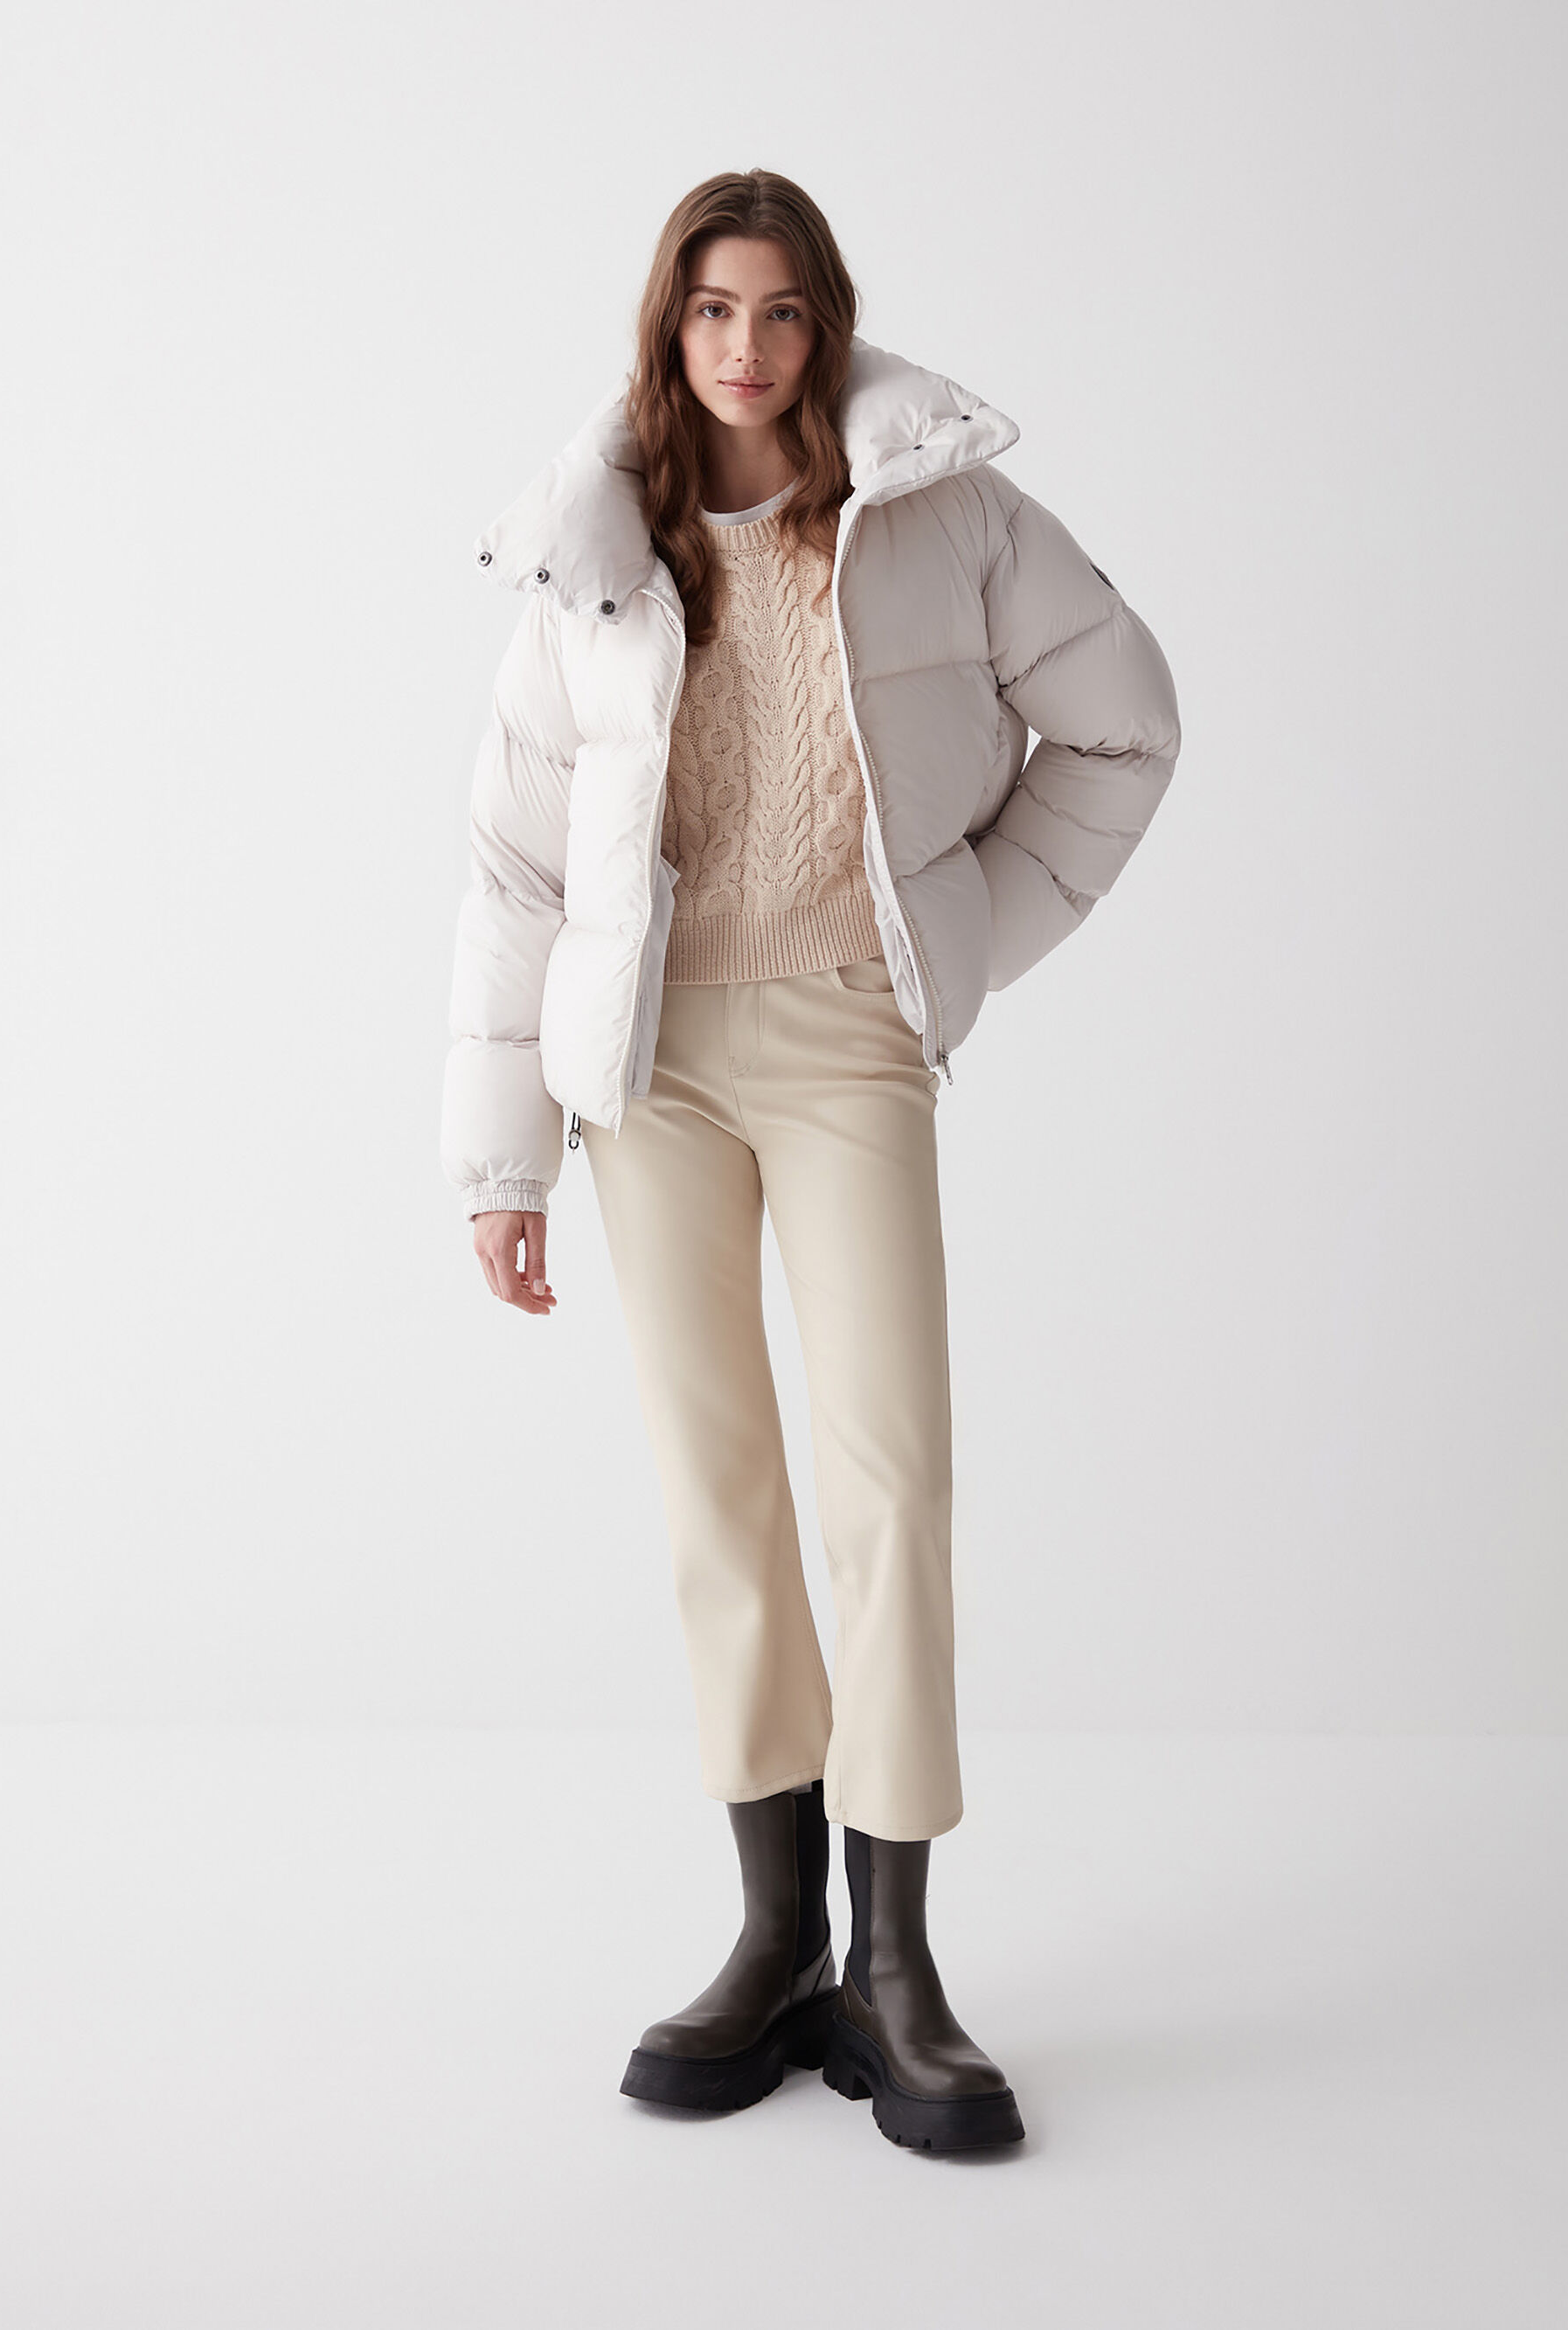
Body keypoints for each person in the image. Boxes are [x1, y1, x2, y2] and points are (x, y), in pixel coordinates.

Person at [441, 168, 1181, 2153]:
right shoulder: (596, 541)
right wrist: (503, 1167)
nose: (747, 348)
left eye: (780, 311)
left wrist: (953, 935)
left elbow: (1125, 727)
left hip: (849, 1038)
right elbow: (516, 864)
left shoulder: (945, 516)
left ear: (826, 323)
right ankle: (775, 1941)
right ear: (666, 328)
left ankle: (896, 1967)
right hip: (652, 1072)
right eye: (711, 311)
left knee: (889, 1480)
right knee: (722, 1489)